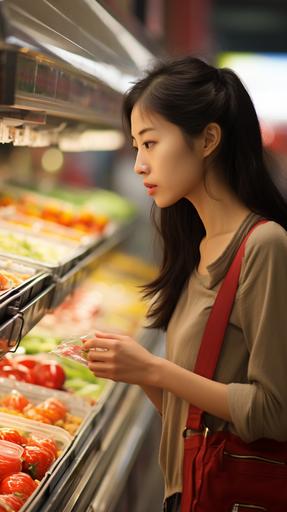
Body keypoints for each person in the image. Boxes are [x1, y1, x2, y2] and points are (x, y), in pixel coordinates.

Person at [83, 56, 287, 511]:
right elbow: (195, 419)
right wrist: (133, 371)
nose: (139, 164)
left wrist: (154, 370)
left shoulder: (264, 245)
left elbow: (276, 410)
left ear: (208, 139)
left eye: (151, 143)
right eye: (136, 146)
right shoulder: (198, 248)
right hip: (190, 490)